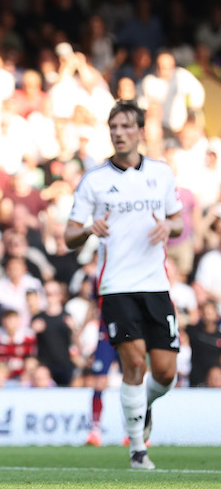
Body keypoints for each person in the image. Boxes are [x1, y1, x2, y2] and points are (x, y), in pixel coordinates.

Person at [64, 101, 183, 470]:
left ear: (140, 131)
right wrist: (87, 229)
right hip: (115, 286)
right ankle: (137, 450)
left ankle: (143, 405)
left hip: (155, 285)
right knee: (133, 363)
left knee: (164, 372)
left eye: (126, 126)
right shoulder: (94, 180)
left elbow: (179, 222)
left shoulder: (161, 174)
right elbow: (69, 235)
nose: (118, 132)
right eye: (113, 126)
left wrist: (169, 227)